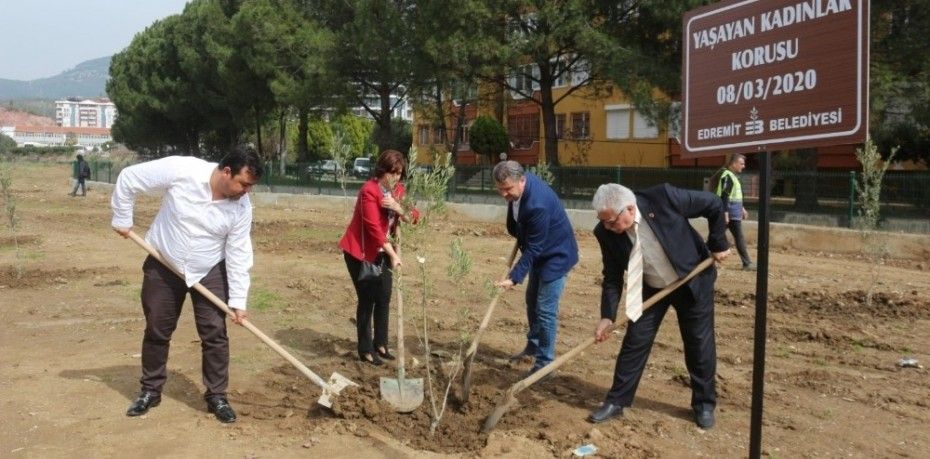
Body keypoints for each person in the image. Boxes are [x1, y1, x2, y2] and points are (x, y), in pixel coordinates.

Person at [110, 146, 263, 423]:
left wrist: (238, 300)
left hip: (209, 269)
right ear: (226, 172)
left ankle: (217, 395)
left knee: (215, 334)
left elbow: (239, 251)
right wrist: (122, 217)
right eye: (244, 184)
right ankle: (150, 391)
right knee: (157, 328)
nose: (246, 191)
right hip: (164, 262)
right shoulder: (183, 170)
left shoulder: (241, 207)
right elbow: (129, 178)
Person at [587, 183, 730, 429]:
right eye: (604, 223)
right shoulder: (604, 233)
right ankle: (617, 401)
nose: (608, 228)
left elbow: (714, 204)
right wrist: (607, 316)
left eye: (611, 222)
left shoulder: (663, 198)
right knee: (635, 342)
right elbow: (611, 276)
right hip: (651, 287)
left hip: (691, 279)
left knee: (698, 344)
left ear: (629, 209)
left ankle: (704, 405)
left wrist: (718, 243)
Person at [493, 160, 578, 377]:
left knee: (545, 310)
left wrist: (514, 277)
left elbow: (534, 248)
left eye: (507, 189)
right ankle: (533, 346)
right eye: (500, 189)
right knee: (532, 301)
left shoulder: (537, 203)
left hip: (556, 256)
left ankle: (545, 364)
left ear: (522, 181)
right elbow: (518, 225)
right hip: (539, 252)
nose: (504, 194)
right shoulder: (517, 190)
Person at [339, 149, 419, 366]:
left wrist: (398, 207)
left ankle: (381, 344)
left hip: (384, 253)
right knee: (367, 300)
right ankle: (365, 349)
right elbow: (373, 229)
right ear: (382, 171)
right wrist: (394, 255)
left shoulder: (399, 191)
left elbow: (415, 217)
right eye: (392, 173)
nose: (395, 178)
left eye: (399, 173)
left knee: (384, 297)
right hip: (361, 254)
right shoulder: (369, 191)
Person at [715, 153, 755, 271]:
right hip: (730, 214)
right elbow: (725, 196)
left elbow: (734, 195)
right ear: (734, 163)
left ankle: (702, 257)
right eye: (741, 163)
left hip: (733, 213)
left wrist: (742, 208)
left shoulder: (732, 176)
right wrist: (725, 213)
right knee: (737, 237)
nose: (743, 166)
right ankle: (747, 263)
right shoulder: (728, 176)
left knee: (718, 235)